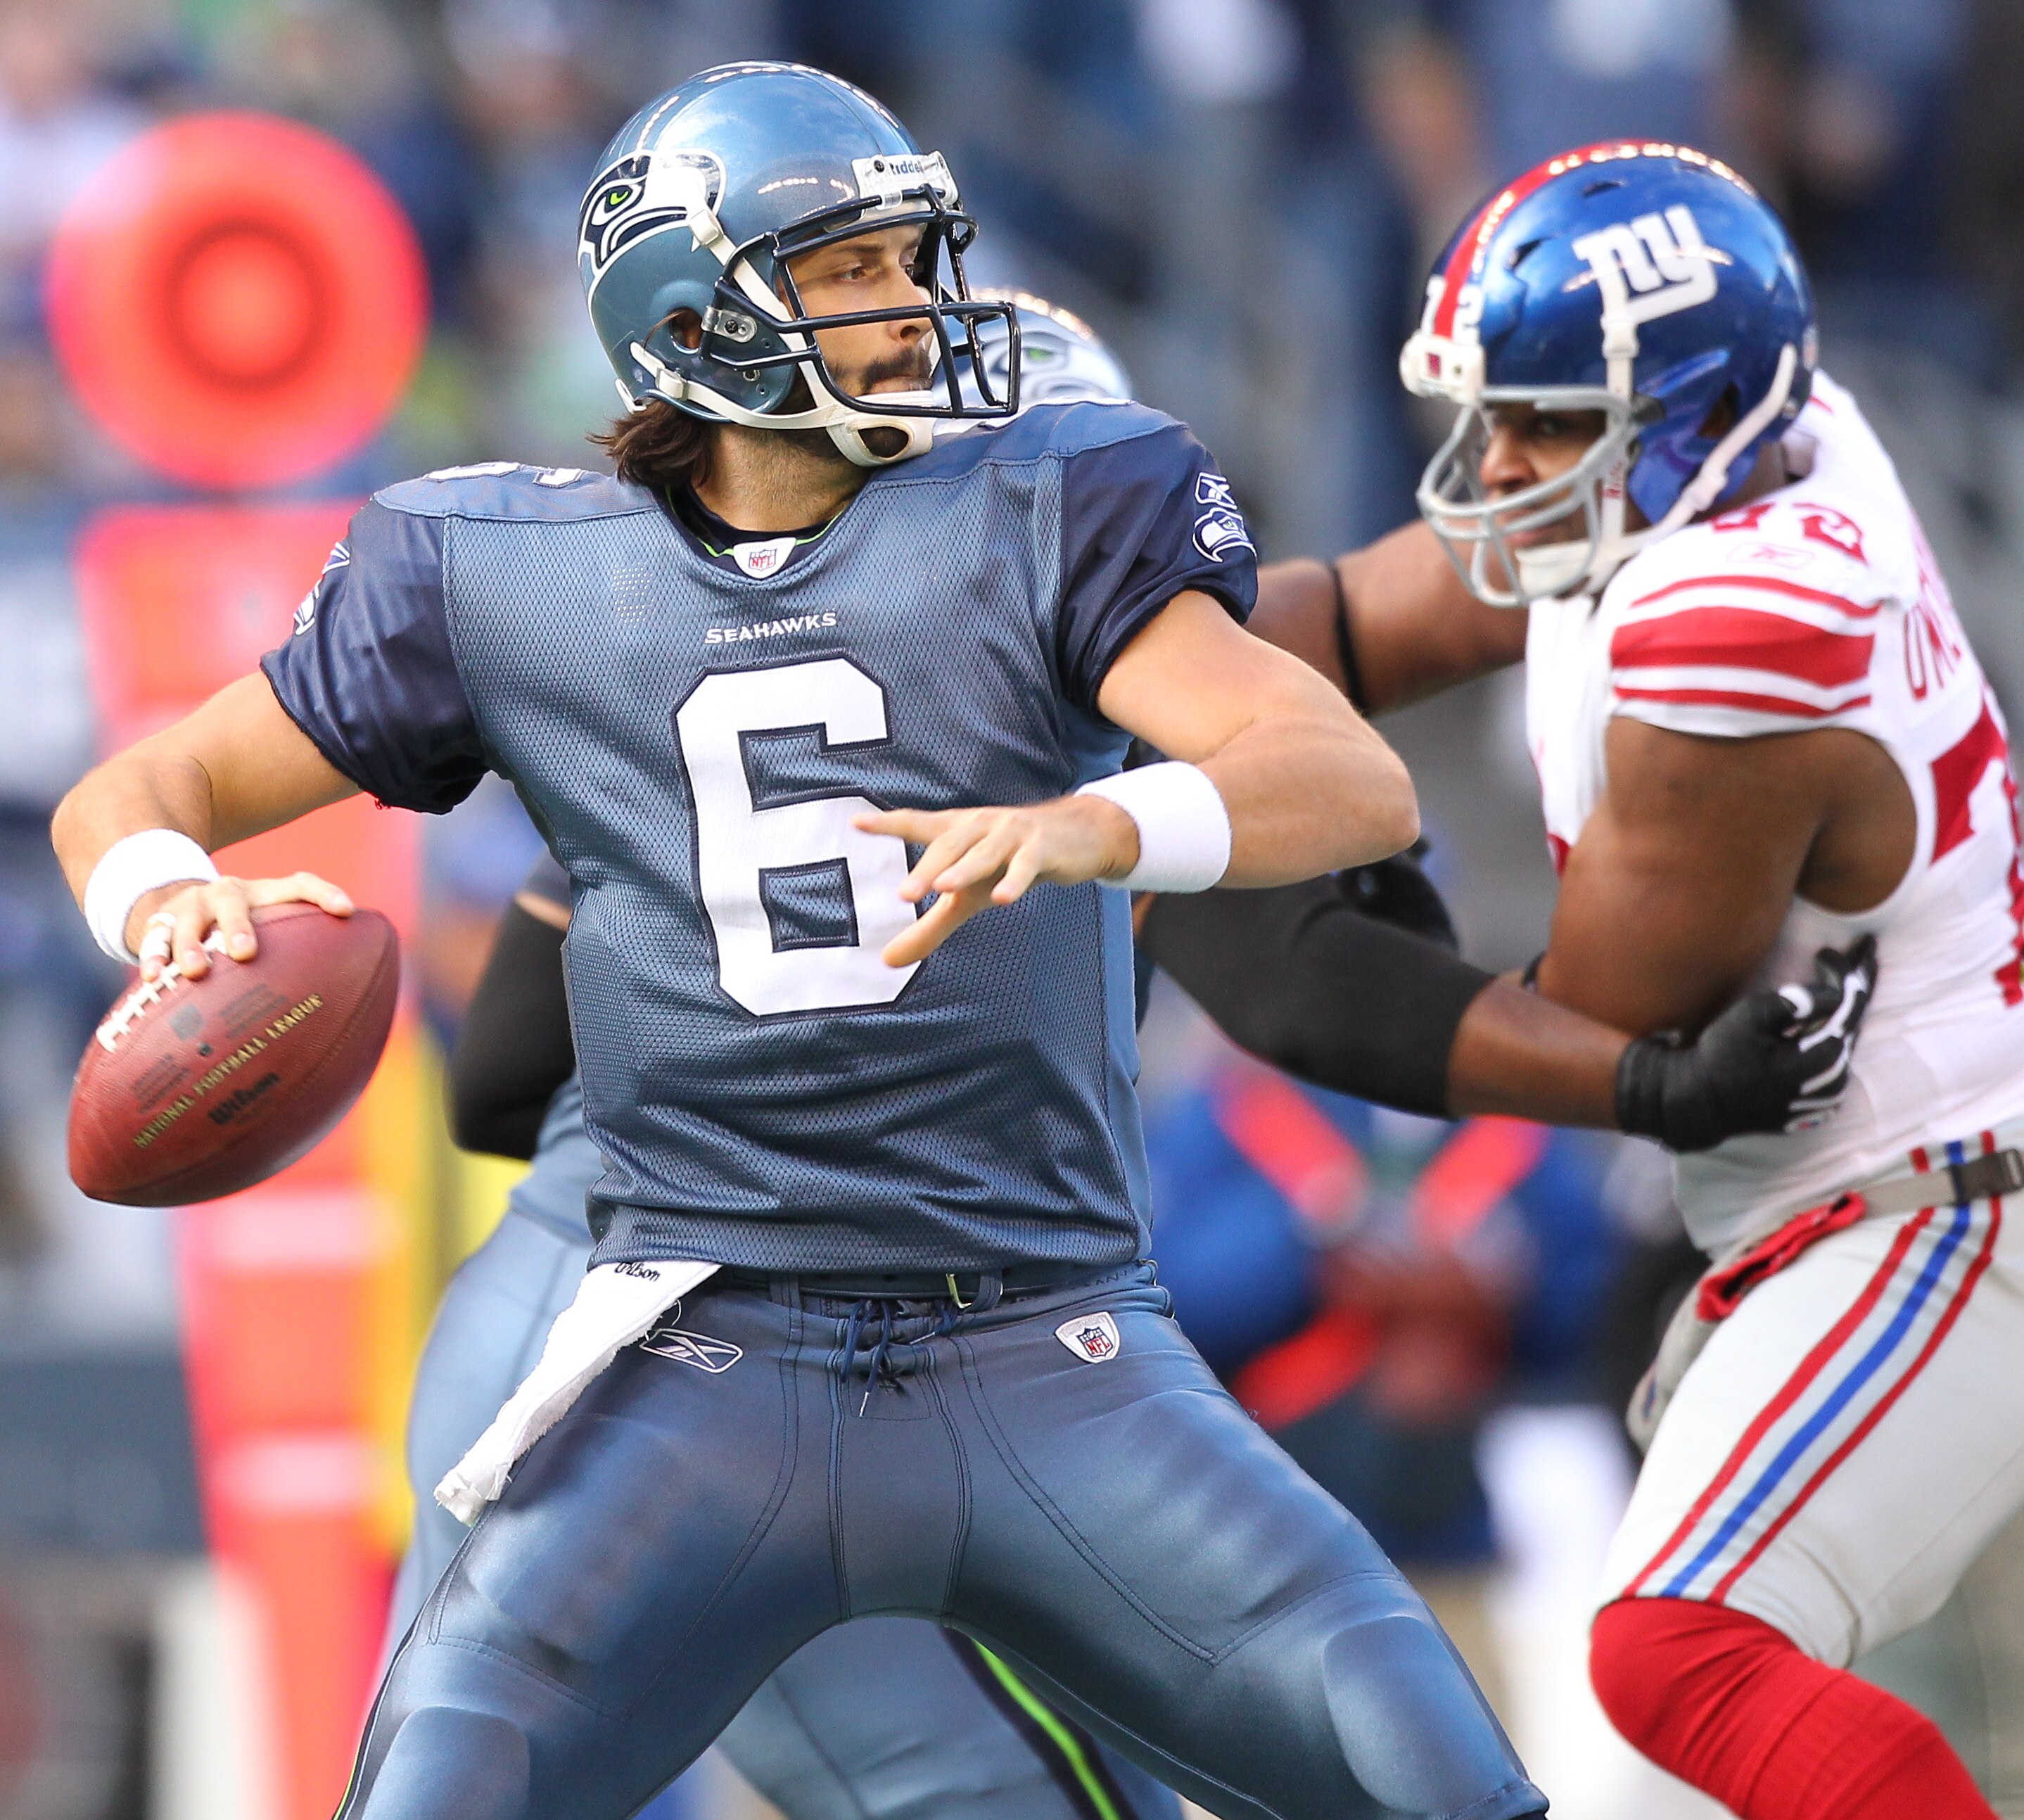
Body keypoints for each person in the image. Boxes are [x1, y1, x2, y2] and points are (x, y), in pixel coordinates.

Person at [53, 63, 1549, 1820]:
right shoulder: (509, 574)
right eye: (851, 270)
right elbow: (150, 793)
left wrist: (1097, 822)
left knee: (1424, 1770)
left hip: (1039, 1337)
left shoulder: (1061, 512)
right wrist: (169, 894)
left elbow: (1342, 775)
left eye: (913, 261)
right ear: (691, 318)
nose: (914, 312)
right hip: (688, 1341)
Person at [393, 291, 1878, 1820]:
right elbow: (1301, 993)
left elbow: (497, 1078)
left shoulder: (683, 663)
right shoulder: (1037, 652)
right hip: (765, 1361)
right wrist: (1636, 1086)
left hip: (546, 1329)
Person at [1252, 139, 2024, 1820]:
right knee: (1659, 1792)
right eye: (1495, 410)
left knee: (1680, 1651)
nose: (1496, 461)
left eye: (1546, 423)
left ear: (1695, 420)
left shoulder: (1737, 623)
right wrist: (1095, 656)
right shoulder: (1729, 464)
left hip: (1941, 1205)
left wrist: (1272, 917)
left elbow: (1597, 1026)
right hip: (1870, 1201)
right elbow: (1346, 626)